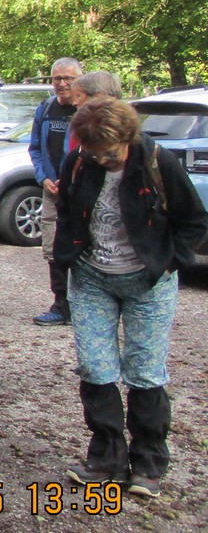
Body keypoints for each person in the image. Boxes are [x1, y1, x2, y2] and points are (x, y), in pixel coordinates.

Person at [55, 97, 207, 498]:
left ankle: (148, 464)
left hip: (149, 284)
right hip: (92, 279)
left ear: (128, 137)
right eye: (94, 152)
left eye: (110, 152)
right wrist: (68, 254)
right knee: (95, 367)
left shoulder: (160, 163)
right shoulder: (78, 162)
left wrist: (168, 263)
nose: (103, 160)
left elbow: (194, 221)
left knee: (144, 370)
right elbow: (67, 210)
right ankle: (106, 459)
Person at [29, 57, 83, 326]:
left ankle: (83, 305)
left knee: (81, 246)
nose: (62, 83)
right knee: (52, 248)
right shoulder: (46, 108)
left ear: (79, 79)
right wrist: (43, 178)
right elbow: (35, 148)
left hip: (80, 191)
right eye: (57, 78)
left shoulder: (85, 109)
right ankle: (61, 305)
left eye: (68, 78)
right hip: (52, 190)